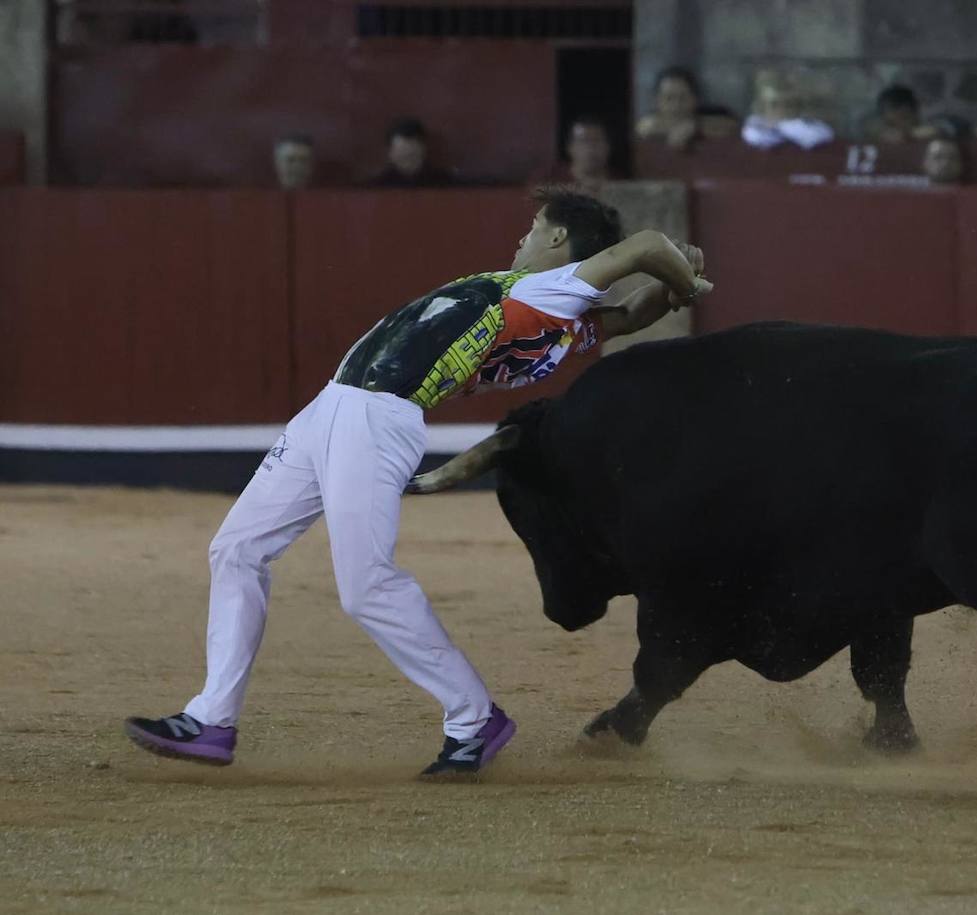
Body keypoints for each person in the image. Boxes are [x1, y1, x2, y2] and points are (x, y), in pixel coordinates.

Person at [124, 187, 713, 777]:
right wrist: (672, 287)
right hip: (333, 410)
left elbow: (645, 246)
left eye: (534, 226)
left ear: (559, 239)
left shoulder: (550, 288)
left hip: (377, 416)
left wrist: (680, 282)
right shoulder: (564, 322)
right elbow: (631, 313)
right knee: (237, 547)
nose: (522, 236)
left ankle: (472, 718)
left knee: (365, 584)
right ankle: (211, 719)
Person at [635, 66, 739, 150]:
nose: (676, 106)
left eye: (683, 98)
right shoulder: (648, 121)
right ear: (657, 101)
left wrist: (695, 128)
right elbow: (643, 128)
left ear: (695, 99)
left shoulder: (716, 114)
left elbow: (733, 127)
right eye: (669, 98)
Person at [740, 73, 835, 150]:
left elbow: (822, 135)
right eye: (774, 104)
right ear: (762, 106)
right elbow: (754, 137)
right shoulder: (754, 126)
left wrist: (782, 126)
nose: (781, 108)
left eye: (787, 104)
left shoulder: (807, 125)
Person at [366, 117, 456, 188]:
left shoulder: (445, 185)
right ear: (390, 153)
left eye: (412, 155)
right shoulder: (376, 188)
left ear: (423, 150)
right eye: (402, 154)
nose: (408, 160)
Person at [864, 85, 937, 144]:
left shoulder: (928, 131)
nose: (900, 113)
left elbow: (934, 132)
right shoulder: (876, 131)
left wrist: (907, 135)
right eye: (894, 108)